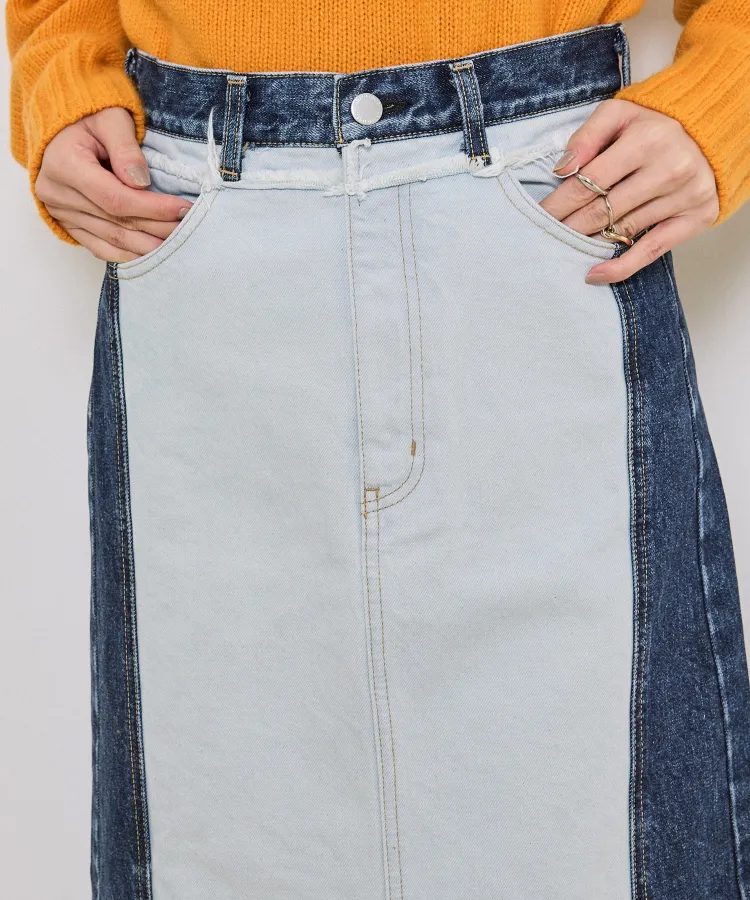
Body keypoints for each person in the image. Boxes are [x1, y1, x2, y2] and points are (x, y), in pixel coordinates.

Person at [7, 3, 750, 899]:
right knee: (218, 830)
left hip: (548, 197)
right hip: (194, 217)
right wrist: (60, 70)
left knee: (603, 830)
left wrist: (731, 91)